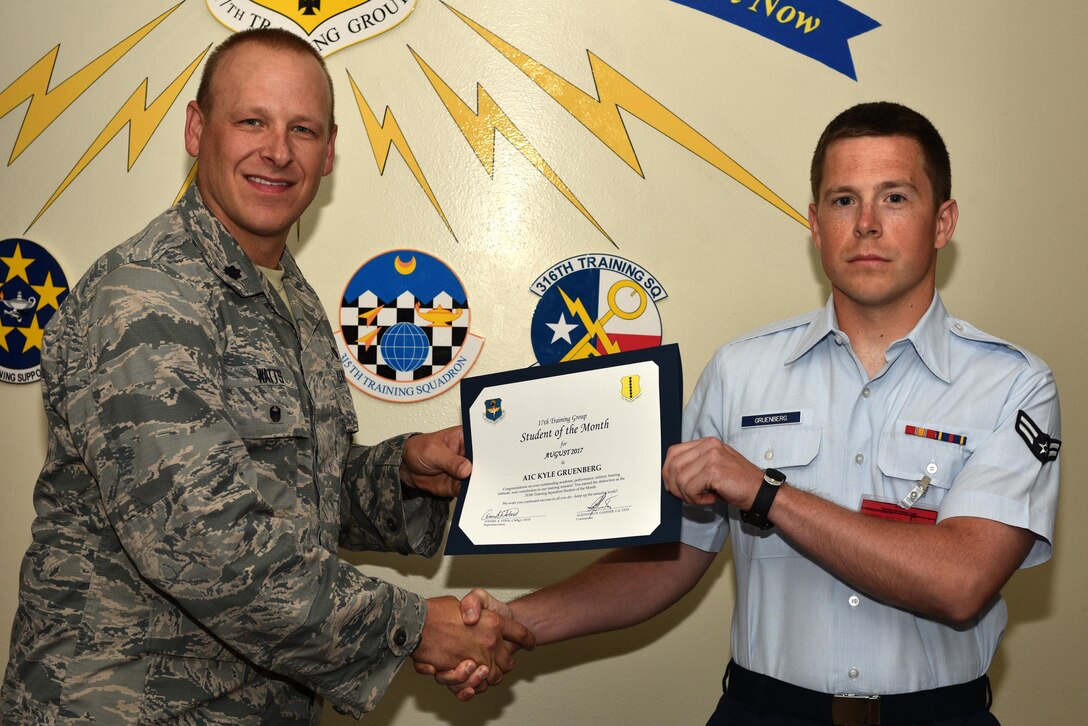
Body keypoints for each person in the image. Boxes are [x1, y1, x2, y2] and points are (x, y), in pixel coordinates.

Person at [435, 102, 1062, 724]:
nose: (867, 224)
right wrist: (513, 624)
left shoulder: (1011, 385)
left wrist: (766, 494)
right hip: (764, 711)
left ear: (943, 222)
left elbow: (960, 582)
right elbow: (671, 560)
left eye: (895, 198)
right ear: (816, 224)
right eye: (844, 200)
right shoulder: (741, 372)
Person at [1, 28, 530, 724]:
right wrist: (411, 627)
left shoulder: (285, 294)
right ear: (197, 129)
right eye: (252, 121)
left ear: (329, 151)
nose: (278, 151)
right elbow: (204, 540)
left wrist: (401, 472)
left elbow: (285, 492)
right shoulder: (147, 295)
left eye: (302, 129)